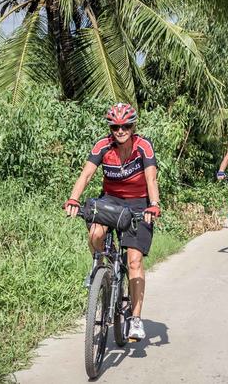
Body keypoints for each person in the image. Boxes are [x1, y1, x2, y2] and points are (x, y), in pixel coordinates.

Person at [63, 103, 160, 341]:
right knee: (95, 233)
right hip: (111, 200)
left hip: (139, 202)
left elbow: (151, 178)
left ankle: (135, 320)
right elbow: (86, 175)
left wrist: (153, 205)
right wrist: (73, 199)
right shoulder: (103, 146)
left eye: (125, 126)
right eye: (116, 127)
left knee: (134, 260)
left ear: (132, 126)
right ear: (111, 128)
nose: (120, 131)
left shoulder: (143, 146)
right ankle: (101, 268)